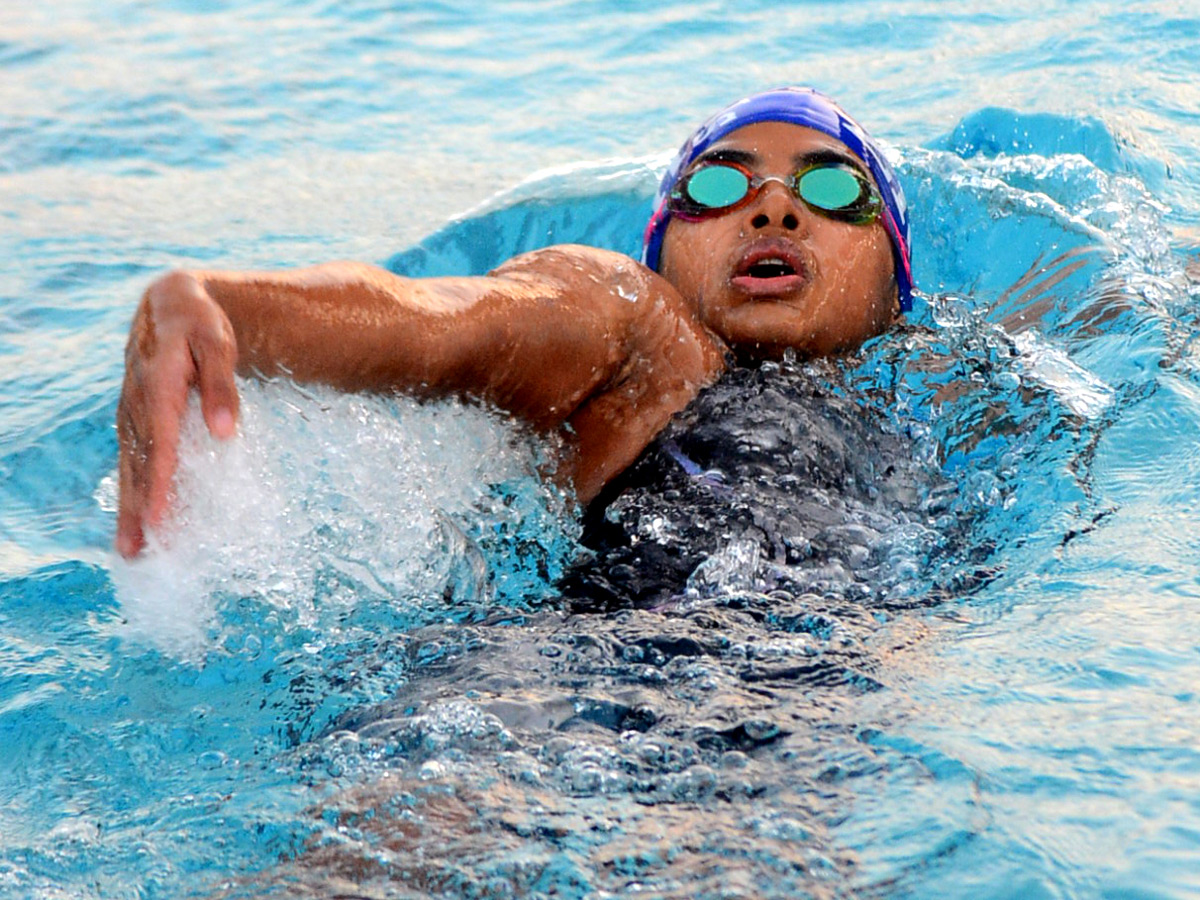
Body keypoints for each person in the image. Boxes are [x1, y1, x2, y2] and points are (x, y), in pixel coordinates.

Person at [115, 87, 914, 560]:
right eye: (715, 187)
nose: (774, 206)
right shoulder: (649, 337)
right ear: (662, 256)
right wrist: (226, 306)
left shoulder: (945, 396)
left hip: (819, 713)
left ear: (895, 281)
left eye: (836, 190)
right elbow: (446, 324)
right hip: (550, 704)